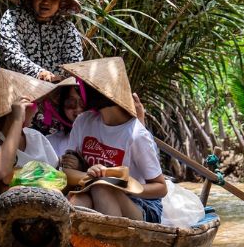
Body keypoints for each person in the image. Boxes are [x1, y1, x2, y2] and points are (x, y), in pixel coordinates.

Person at [60, 58, 167, 222]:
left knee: (101, 188)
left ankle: (114, 244)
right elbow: (67, 171)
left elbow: (161, 188)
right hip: (93, 190)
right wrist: (90, 175)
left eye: (85, 86)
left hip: (141, 204)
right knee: (80, 199)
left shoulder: (136, 135)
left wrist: (125, 185)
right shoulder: (83, 122)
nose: (81, 91)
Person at [0, 69, 60, 223]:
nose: (37, 110)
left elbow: (56, 177)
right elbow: (0, 170)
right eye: (33, 104)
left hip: (38, 219)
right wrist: (16, 120)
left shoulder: (36, 137)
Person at [0, 0, 83, 82]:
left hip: (54, 91)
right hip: (15, 86)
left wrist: (65, 83)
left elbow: (75, 65)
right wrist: (39, 73)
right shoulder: (13, 18)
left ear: (60, 3)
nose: (46, 2)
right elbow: (10, 54)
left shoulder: (67, 29)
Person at [45, 78, 86, 157]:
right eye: (70, 103)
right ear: (62, 107)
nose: (78, 109)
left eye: (83, 102)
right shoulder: (50, 143)